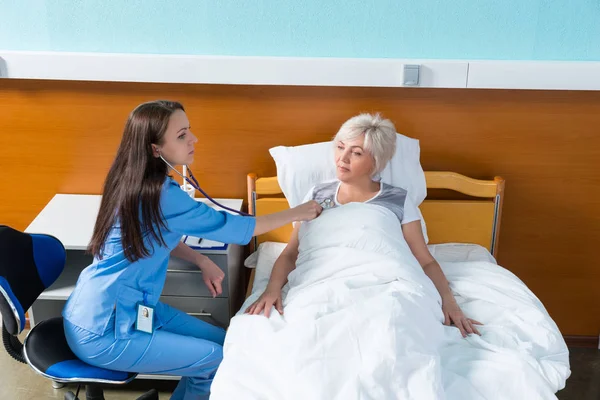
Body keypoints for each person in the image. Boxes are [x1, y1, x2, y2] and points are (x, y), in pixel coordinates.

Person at [62, 100, 322, 400]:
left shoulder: (131, 179)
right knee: (215, 360)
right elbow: (238, 230)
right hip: (104, 330)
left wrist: (200, 259)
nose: (193, 139)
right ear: (155, 149)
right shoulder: (162, 194)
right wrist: (297, 212)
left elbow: (157, 234)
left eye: (190, 131)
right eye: (182, 134)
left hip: (122, 308)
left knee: (227, 344)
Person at [245, 113, 482, 338]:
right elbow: (291, 253)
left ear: (376, 162)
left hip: (386, 283)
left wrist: (449, 302)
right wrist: (272, 289)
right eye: (340, 147)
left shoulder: (398, 199)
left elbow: (425, 259)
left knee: (390, 325)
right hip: (323, 281)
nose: (342, 158)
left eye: (356, 153)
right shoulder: (317, 194)